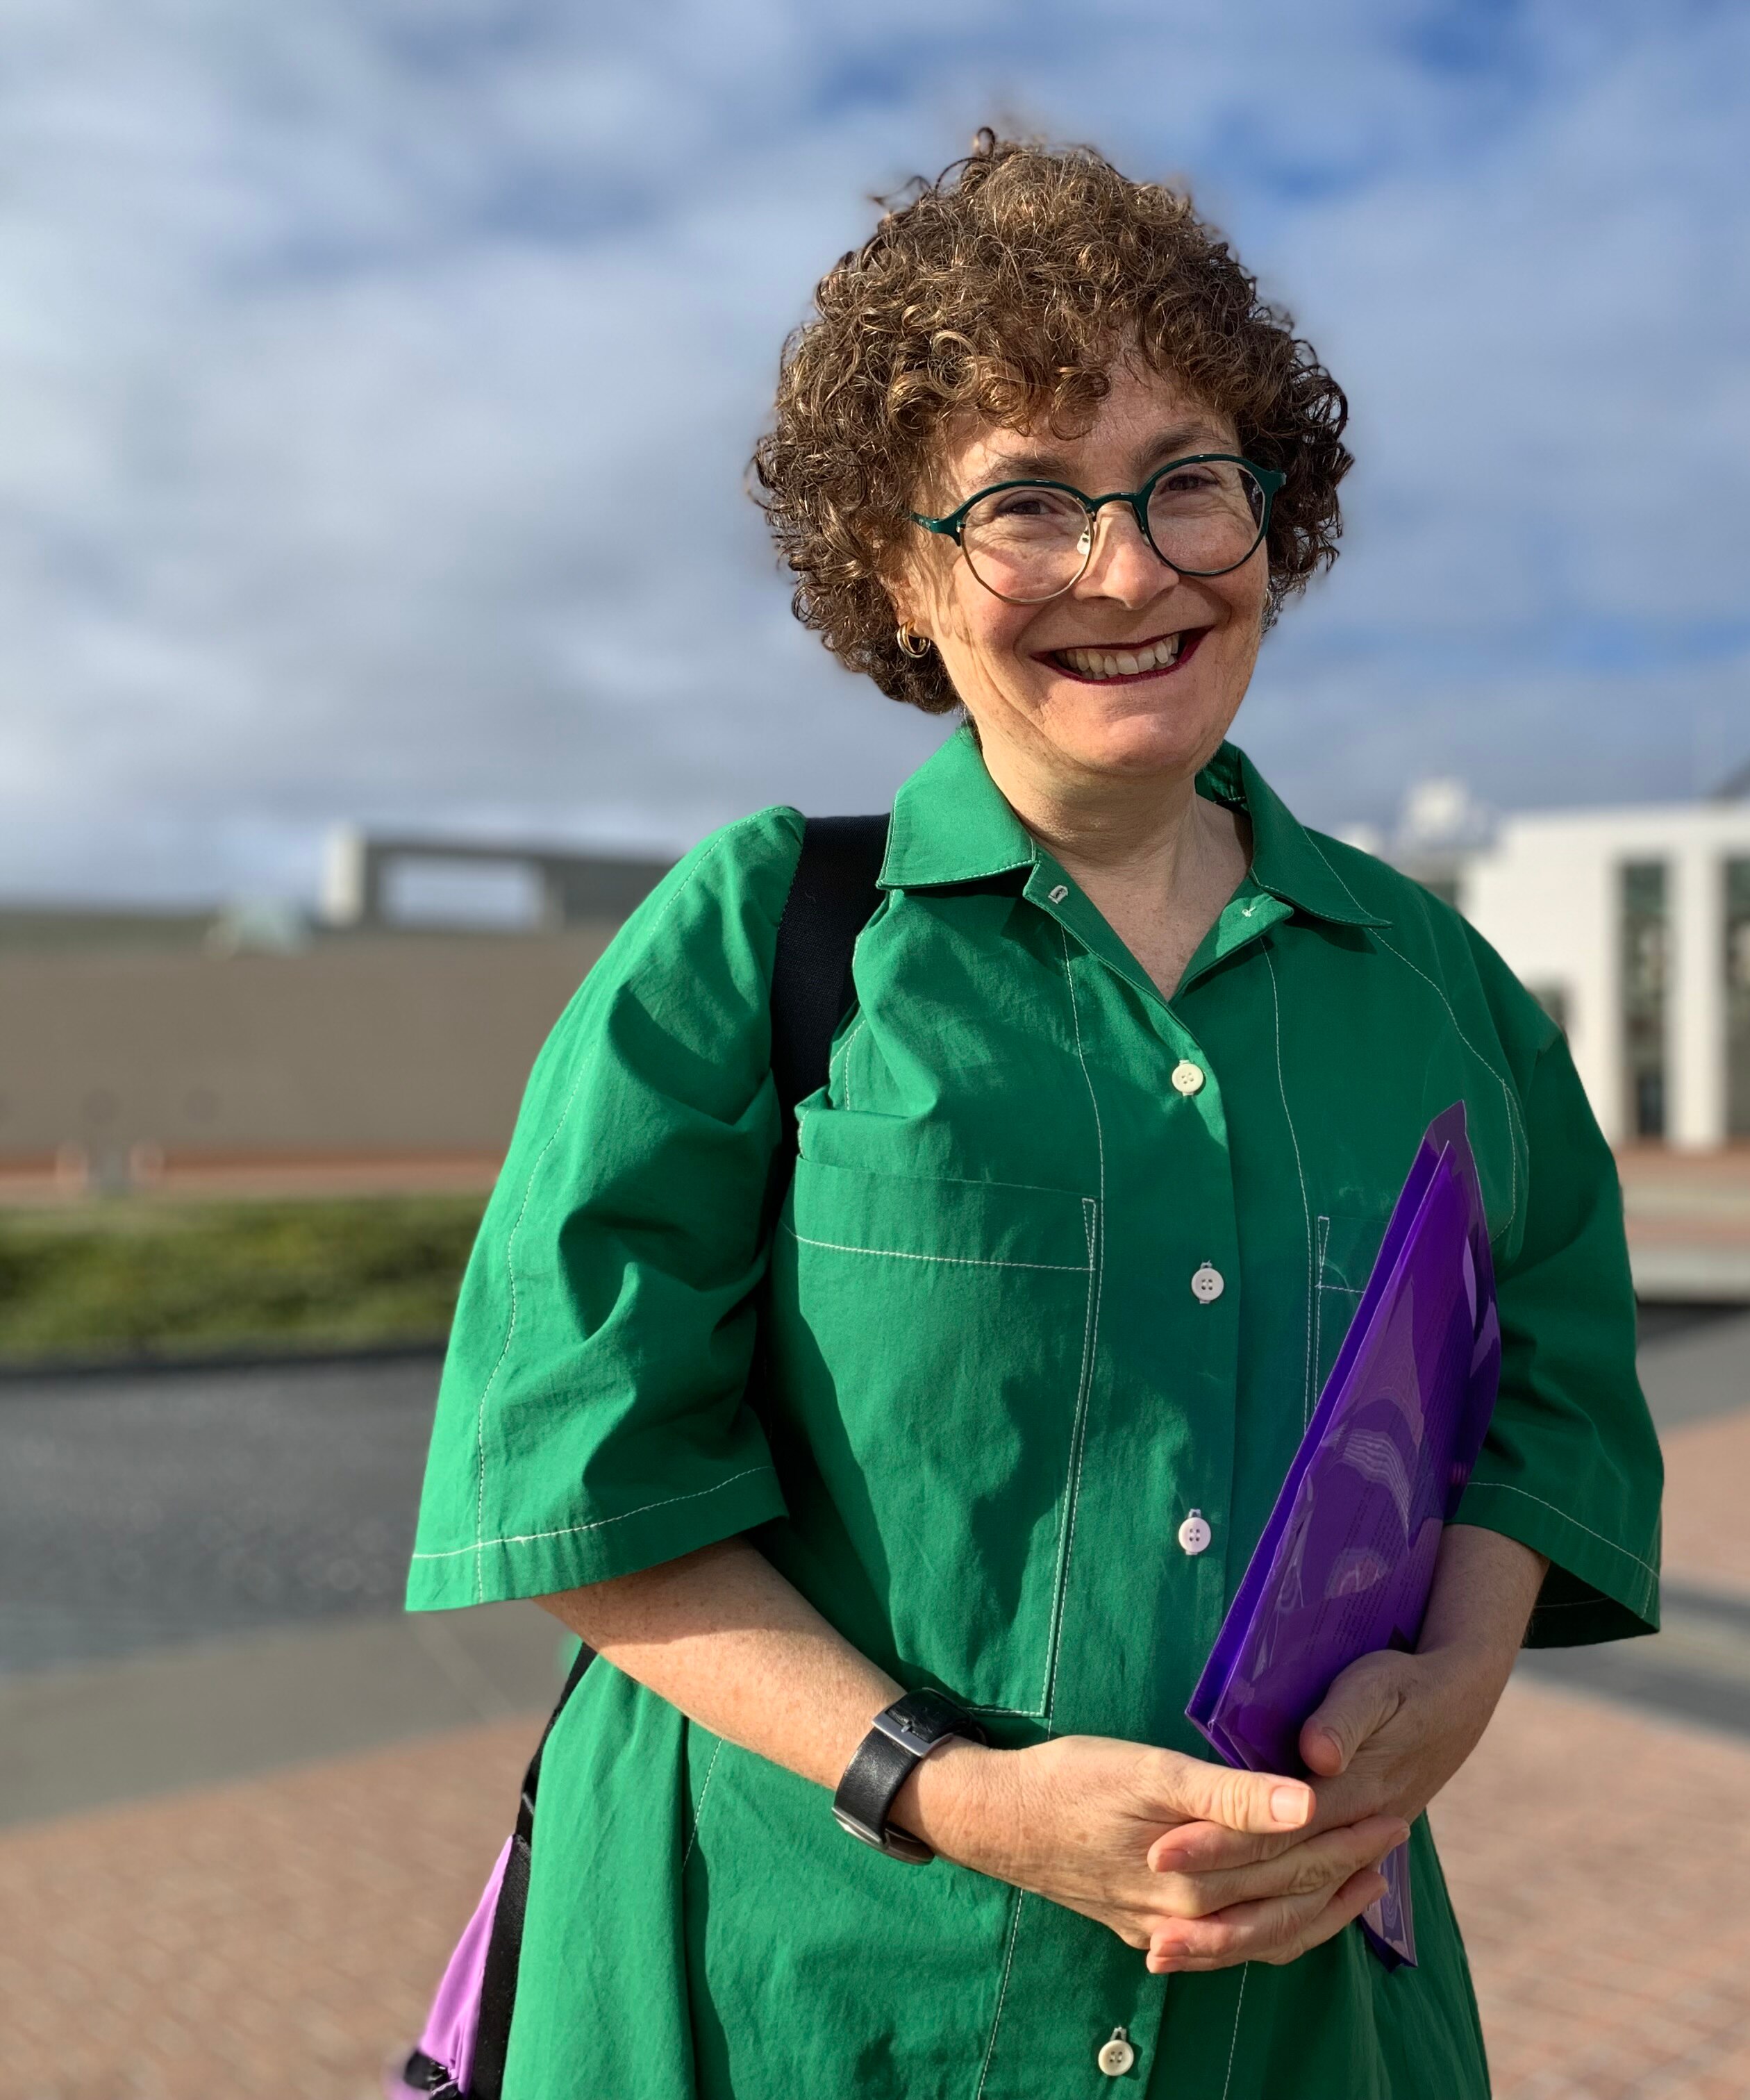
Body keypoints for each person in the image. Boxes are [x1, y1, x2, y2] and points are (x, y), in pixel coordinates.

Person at [404, 133, 1662, 2099]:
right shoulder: (762, 943)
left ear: (1275, 516)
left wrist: (1465, 1676)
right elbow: (570, 1475)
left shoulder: (1441, 999)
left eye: (1186, 485)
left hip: (1296, 2015)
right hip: (801, 1995)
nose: (1129, 569)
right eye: (1025, 507)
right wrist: (950, 1789)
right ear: (900, 578)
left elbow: (1549, 1397)